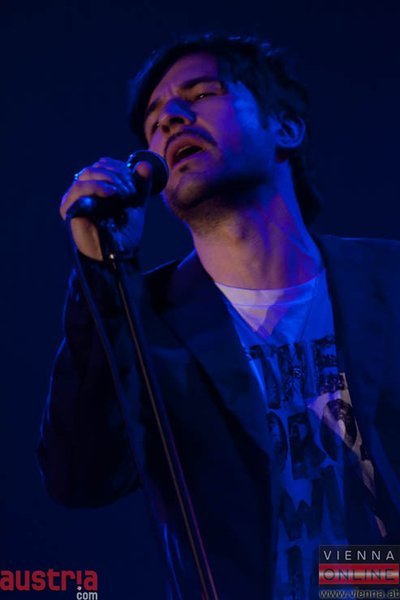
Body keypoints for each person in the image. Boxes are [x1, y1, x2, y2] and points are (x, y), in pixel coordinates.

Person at [38, 33, 400, 599]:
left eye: (202, 94)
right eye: (154, 121)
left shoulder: (387, 280)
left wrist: (359, 582)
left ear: (285, 127)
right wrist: (101, 273)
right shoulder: (144, 319)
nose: (170, 119)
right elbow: (81, 477)